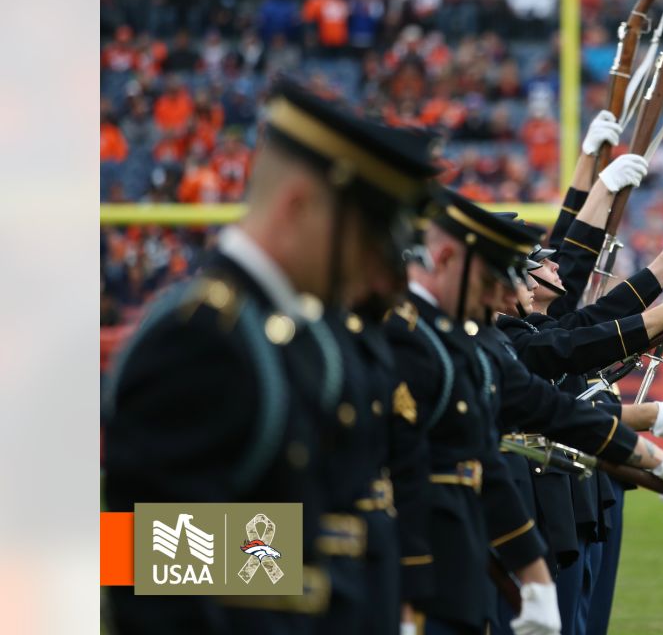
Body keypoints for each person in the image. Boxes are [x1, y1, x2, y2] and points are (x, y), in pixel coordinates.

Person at [102, 77, 439, 633]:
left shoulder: (292, 333)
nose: (378, 268)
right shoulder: (203, 338)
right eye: (366, 238)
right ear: (299, 205)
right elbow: (147, 569)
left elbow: (278, 542)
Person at [388, 190, 663, 635]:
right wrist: (260, 582)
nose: (505, 290)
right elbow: (274, 481)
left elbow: (502, 446)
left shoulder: (464, 344)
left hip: (443, 570)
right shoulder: (379, 337)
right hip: (366, 576)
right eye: (494, 275)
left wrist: (533, 575)